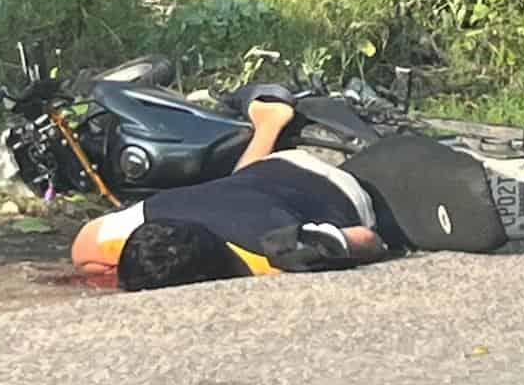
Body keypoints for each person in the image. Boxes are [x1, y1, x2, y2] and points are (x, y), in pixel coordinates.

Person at [70, 90, 390, 290]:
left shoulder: (278, 253)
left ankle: (270, 125)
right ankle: (269, 125)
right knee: (237, 184)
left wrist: (338, 247)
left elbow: (368, 239)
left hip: (339, 188)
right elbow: (84, 250)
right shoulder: (150, 214)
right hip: (267, 172)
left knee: (244, 185)